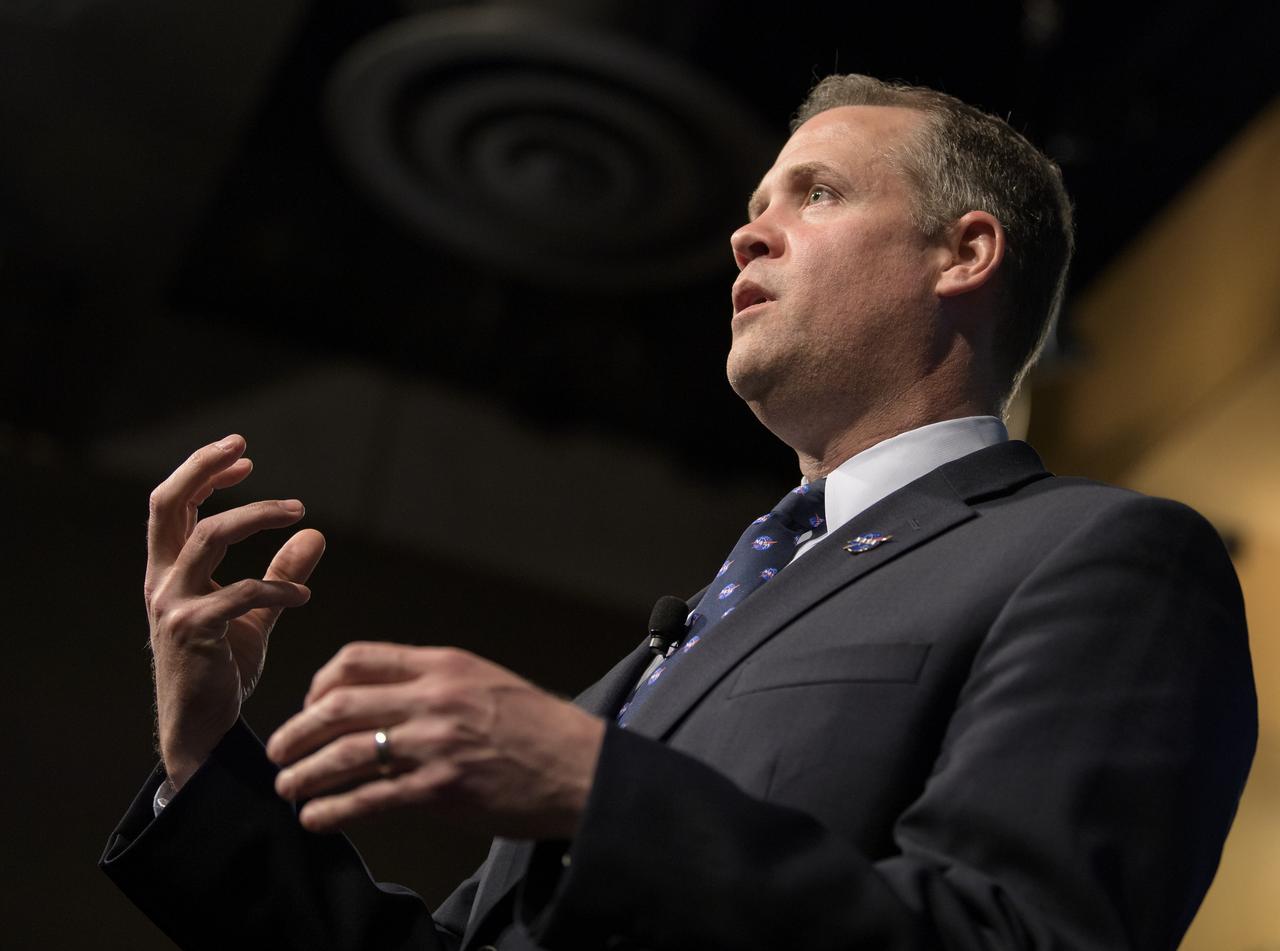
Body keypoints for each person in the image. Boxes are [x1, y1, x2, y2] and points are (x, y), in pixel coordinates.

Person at [102, 74, 1256, 950]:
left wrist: (597, 789)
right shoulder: (679, 643)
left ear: (963, 253)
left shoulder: (1098, 558)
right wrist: (203, 751)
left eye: (815, 193)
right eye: (755, 205)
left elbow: (1013, 933)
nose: (747, 233)